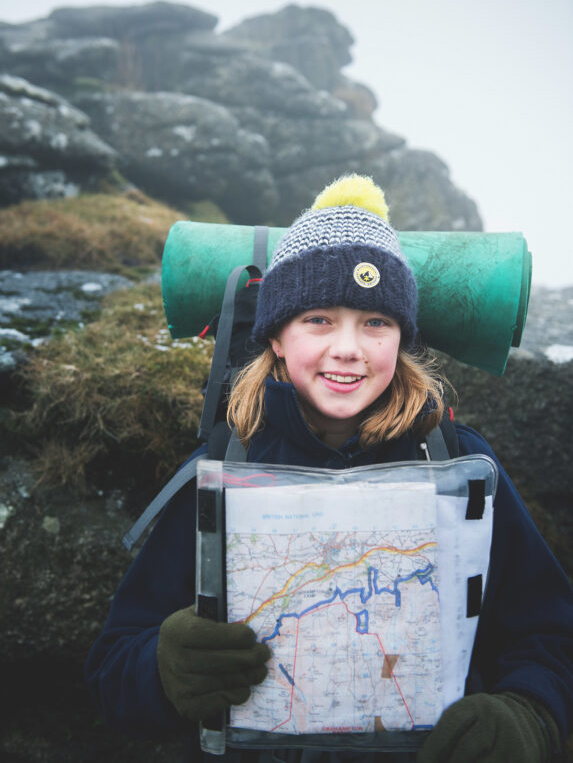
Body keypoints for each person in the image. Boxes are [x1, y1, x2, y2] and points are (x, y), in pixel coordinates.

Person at [85, 175, 573, 762]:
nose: (349, 347)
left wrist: (530, 715)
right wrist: (160, 667)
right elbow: (111, 669)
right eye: (318, 318)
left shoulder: (461, 462)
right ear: (276, 339)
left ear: (402, 339)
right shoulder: (222, 467)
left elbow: (549, 634)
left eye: (376, 322)